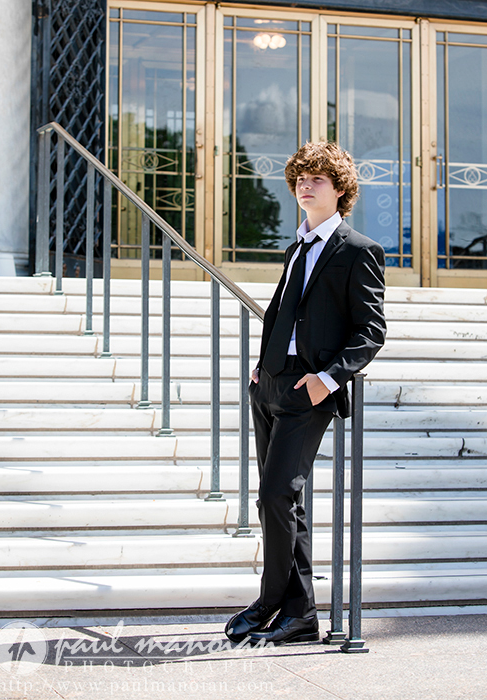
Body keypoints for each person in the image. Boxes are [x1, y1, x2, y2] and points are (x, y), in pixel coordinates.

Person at [224, 141, 386, 646]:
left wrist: (327, 379)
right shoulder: (296, 247)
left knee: (275, 495)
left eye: (317, 178)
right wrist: (260, 367)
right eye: (300, 177)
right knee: (284, 503)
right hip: (270, 383)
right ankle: (300, 616)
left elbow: (371, 331)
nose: (305, 184)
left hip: (307, 389)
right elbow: (280, 312)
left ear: (340, 191)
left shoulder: (357, 250)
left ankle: (271, 601)